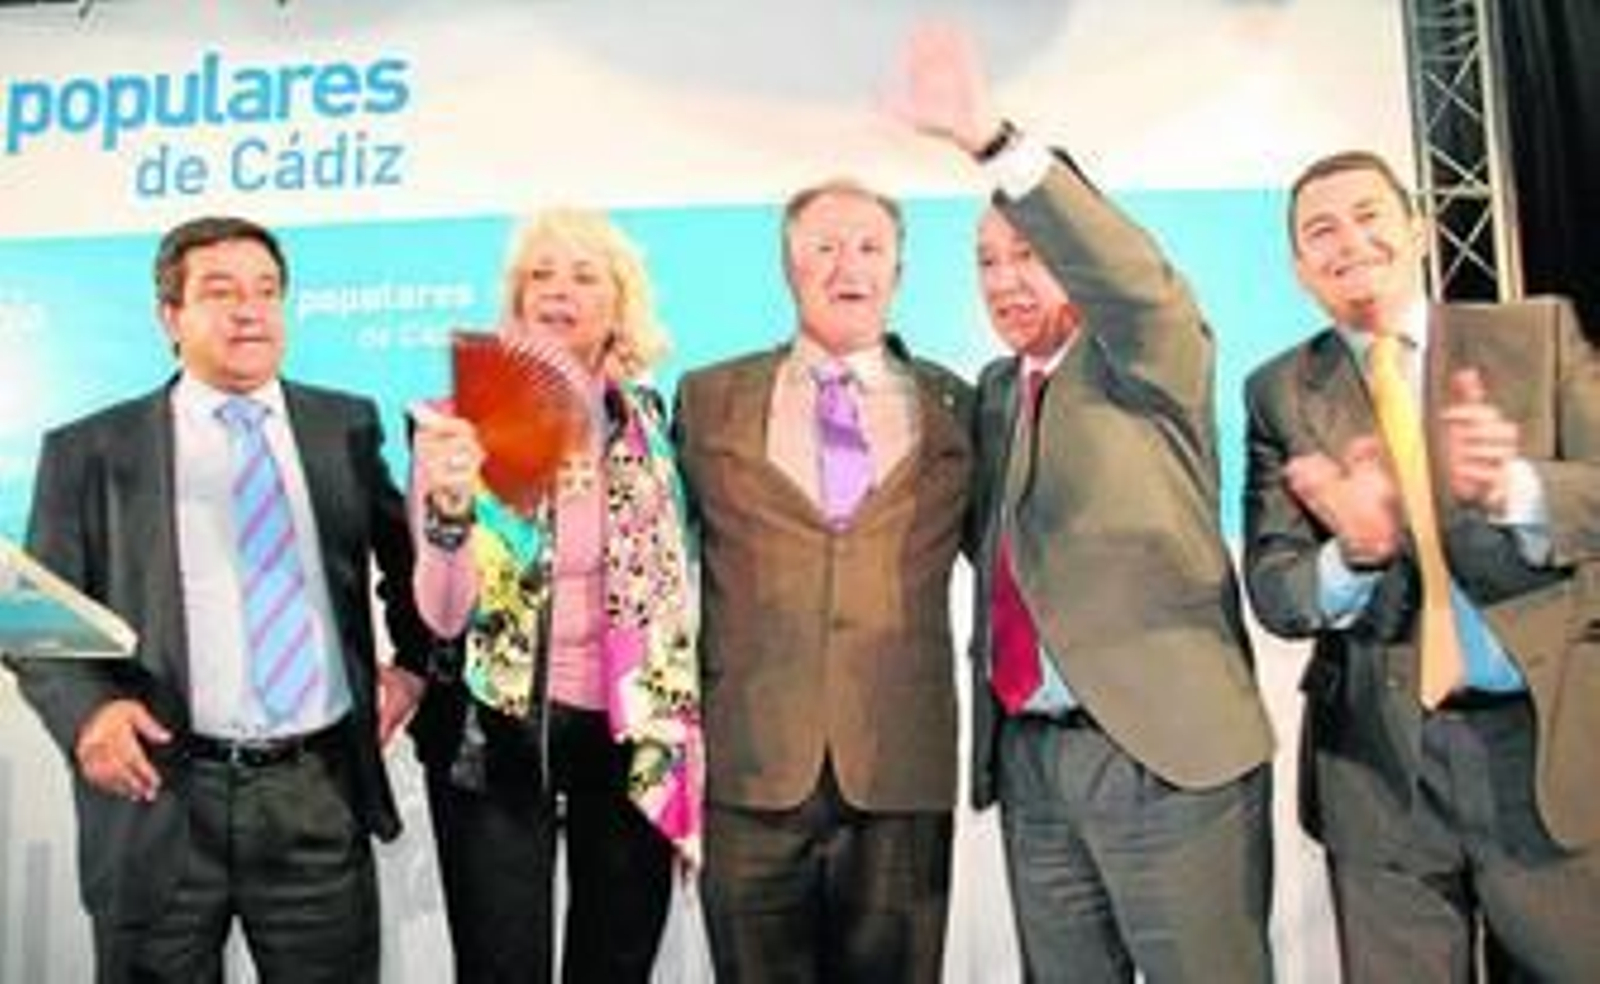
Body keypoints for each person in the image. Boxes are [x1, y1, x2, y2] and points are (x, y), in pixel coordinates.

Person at [892, 24, 1277, 982]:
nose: (1005, 280)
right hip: (1033, 766)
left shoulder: (1149, 356)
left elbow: (1130, 282)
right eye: (986, 262)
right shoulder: (990, 394)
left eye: (1028, 253)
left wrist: (995, 143)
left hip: (1166, 757)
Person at [1, 216, 433, 983]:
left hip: (315, 795)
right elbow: (33, 616)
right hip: (160, 795)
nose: (250, 310)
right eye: (221, 291)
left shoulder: (344, 425)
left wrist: (414, 667)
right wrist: (89, 714)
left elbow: (415, 565)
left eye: (267, 291)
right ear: (170, 317)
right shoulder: (90, 450)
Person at [1242, 149, 1600, 981]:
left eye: (1370, 216)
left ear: (1419, 229)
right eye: (1320, 232)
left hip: (1544, 752)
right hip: (1379, 770)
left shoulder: (1533, 334)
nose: (1349, 243)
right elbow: (1276, 587)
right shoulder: (1279, 392)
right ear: (1300, 268)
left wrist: (1515, 488)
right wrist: (1352, 556)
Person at [673, 177, 973, 982]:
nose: (849, 266)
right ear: (788, 267)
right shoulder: (705, 400)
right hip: (750, 771)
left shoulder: (959, 406)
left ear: (899, 272)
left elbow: (1022, 560)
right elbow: (650, 561)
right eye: (825, 247)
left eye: (871, 248)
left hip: (901, 771)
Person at [406, 207, 702, 984]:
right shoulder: (457, 421)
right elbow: (441, 613)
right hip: (496, 729)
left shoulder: (650, 426)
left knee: (618, 962)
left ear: (618, 302)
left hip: (630, 732)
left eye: (582, 275)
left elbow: (676, 596)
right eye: (540, 273)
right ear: (516, 297)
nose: (558, 290)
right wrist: (448, 513)